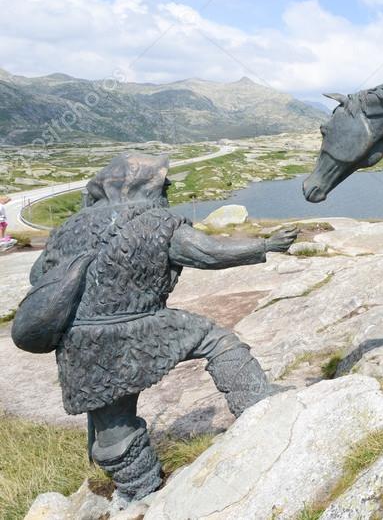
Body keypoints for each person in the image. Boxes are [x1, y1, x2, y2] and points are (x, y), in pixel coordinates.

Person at [12, 155, 297, 506]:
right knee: (216, 340)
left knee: (113, 424)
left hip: (81, 344)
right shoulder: (157, 221)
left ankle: (139, 493)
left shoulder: (69, 227)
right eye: (164, 185)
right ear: (149, 186)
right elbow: (207, 252)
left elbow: (39, 278)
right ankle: (256, 401)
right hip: (145, 327)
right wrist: (264, 245)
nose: (168, 191)